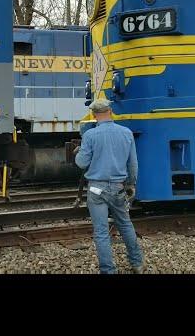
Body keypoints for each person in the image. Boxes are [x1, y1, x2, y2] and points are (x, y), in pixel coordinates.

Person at [74, 98, 144, 274]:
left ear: (95, 115)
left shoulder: (90, 135)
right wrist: (130, 184)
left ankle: (108, 270)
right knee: (125, 225)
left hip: (96, 189)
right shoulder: (126, 133)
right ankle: (137, 264)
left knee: (101, 232)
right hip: (118, 187)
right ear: (110, 112)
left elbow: (82, 163)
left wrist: (79, 152)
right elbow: (133, 165)